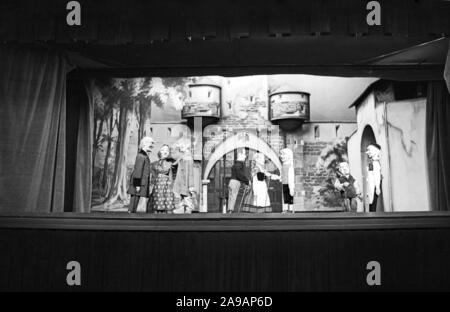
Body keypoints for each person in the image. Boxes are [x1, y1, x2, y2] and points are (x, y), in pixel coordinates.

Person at [127, 136, 155, 213]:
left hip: (140, 183)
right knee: (134, 201)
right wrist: (137, 185)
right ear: (145, 144)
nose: (152, 146)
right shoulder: (141, 156)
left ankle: (132, 214)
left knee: (136, 200)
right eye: (150, 144)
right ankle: (130, 215)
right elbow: (138, 171)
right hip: (138, 183)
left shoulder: (144, 155)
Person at [147, 144, 175, 213]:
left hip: (168, 187)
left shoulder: (172, 163)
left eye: (167, 150)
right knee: (157, 203)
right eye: (163, 150)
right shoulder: (154, 164)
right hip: (158, 187)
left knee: (167, 204)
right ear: (159, 152)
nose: (165, 152)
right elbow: (153, 178)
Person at [171, 139, 196, 214]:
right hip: (181, 180)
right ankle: (182, 208)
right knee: (180, 193)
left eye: (181, 146)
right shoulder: (183, 157)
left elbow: (190, 173)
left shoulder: (188, 158)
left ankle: (188, 208)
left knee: (185, 194)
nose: (180, 148)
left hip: (184, 181)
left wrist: (191, 185)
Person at [366, 143, 382, 212]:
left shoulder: (375, 163)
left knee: (373, 202)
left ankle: (372, 216)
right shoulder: (371, 162)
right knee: (371, 202)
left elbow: (377, 176)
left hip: (374, 185)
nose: (367, 152)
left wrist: (377, 187)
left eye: (369, 150)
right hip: (371, 185)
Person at [280, 148, 295, 213]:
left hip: (289, 184)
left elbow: (291, 177)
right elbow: (282, 174)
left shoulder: (290, 166)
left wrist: (291, 188)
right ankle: (285, 209)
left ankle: (290, 209)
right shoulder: (283, 166)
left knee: (290, 196)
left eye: (283, 154)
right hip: (284, 183)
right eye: (281, 154)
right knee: (285, 196)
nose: (281, 156)